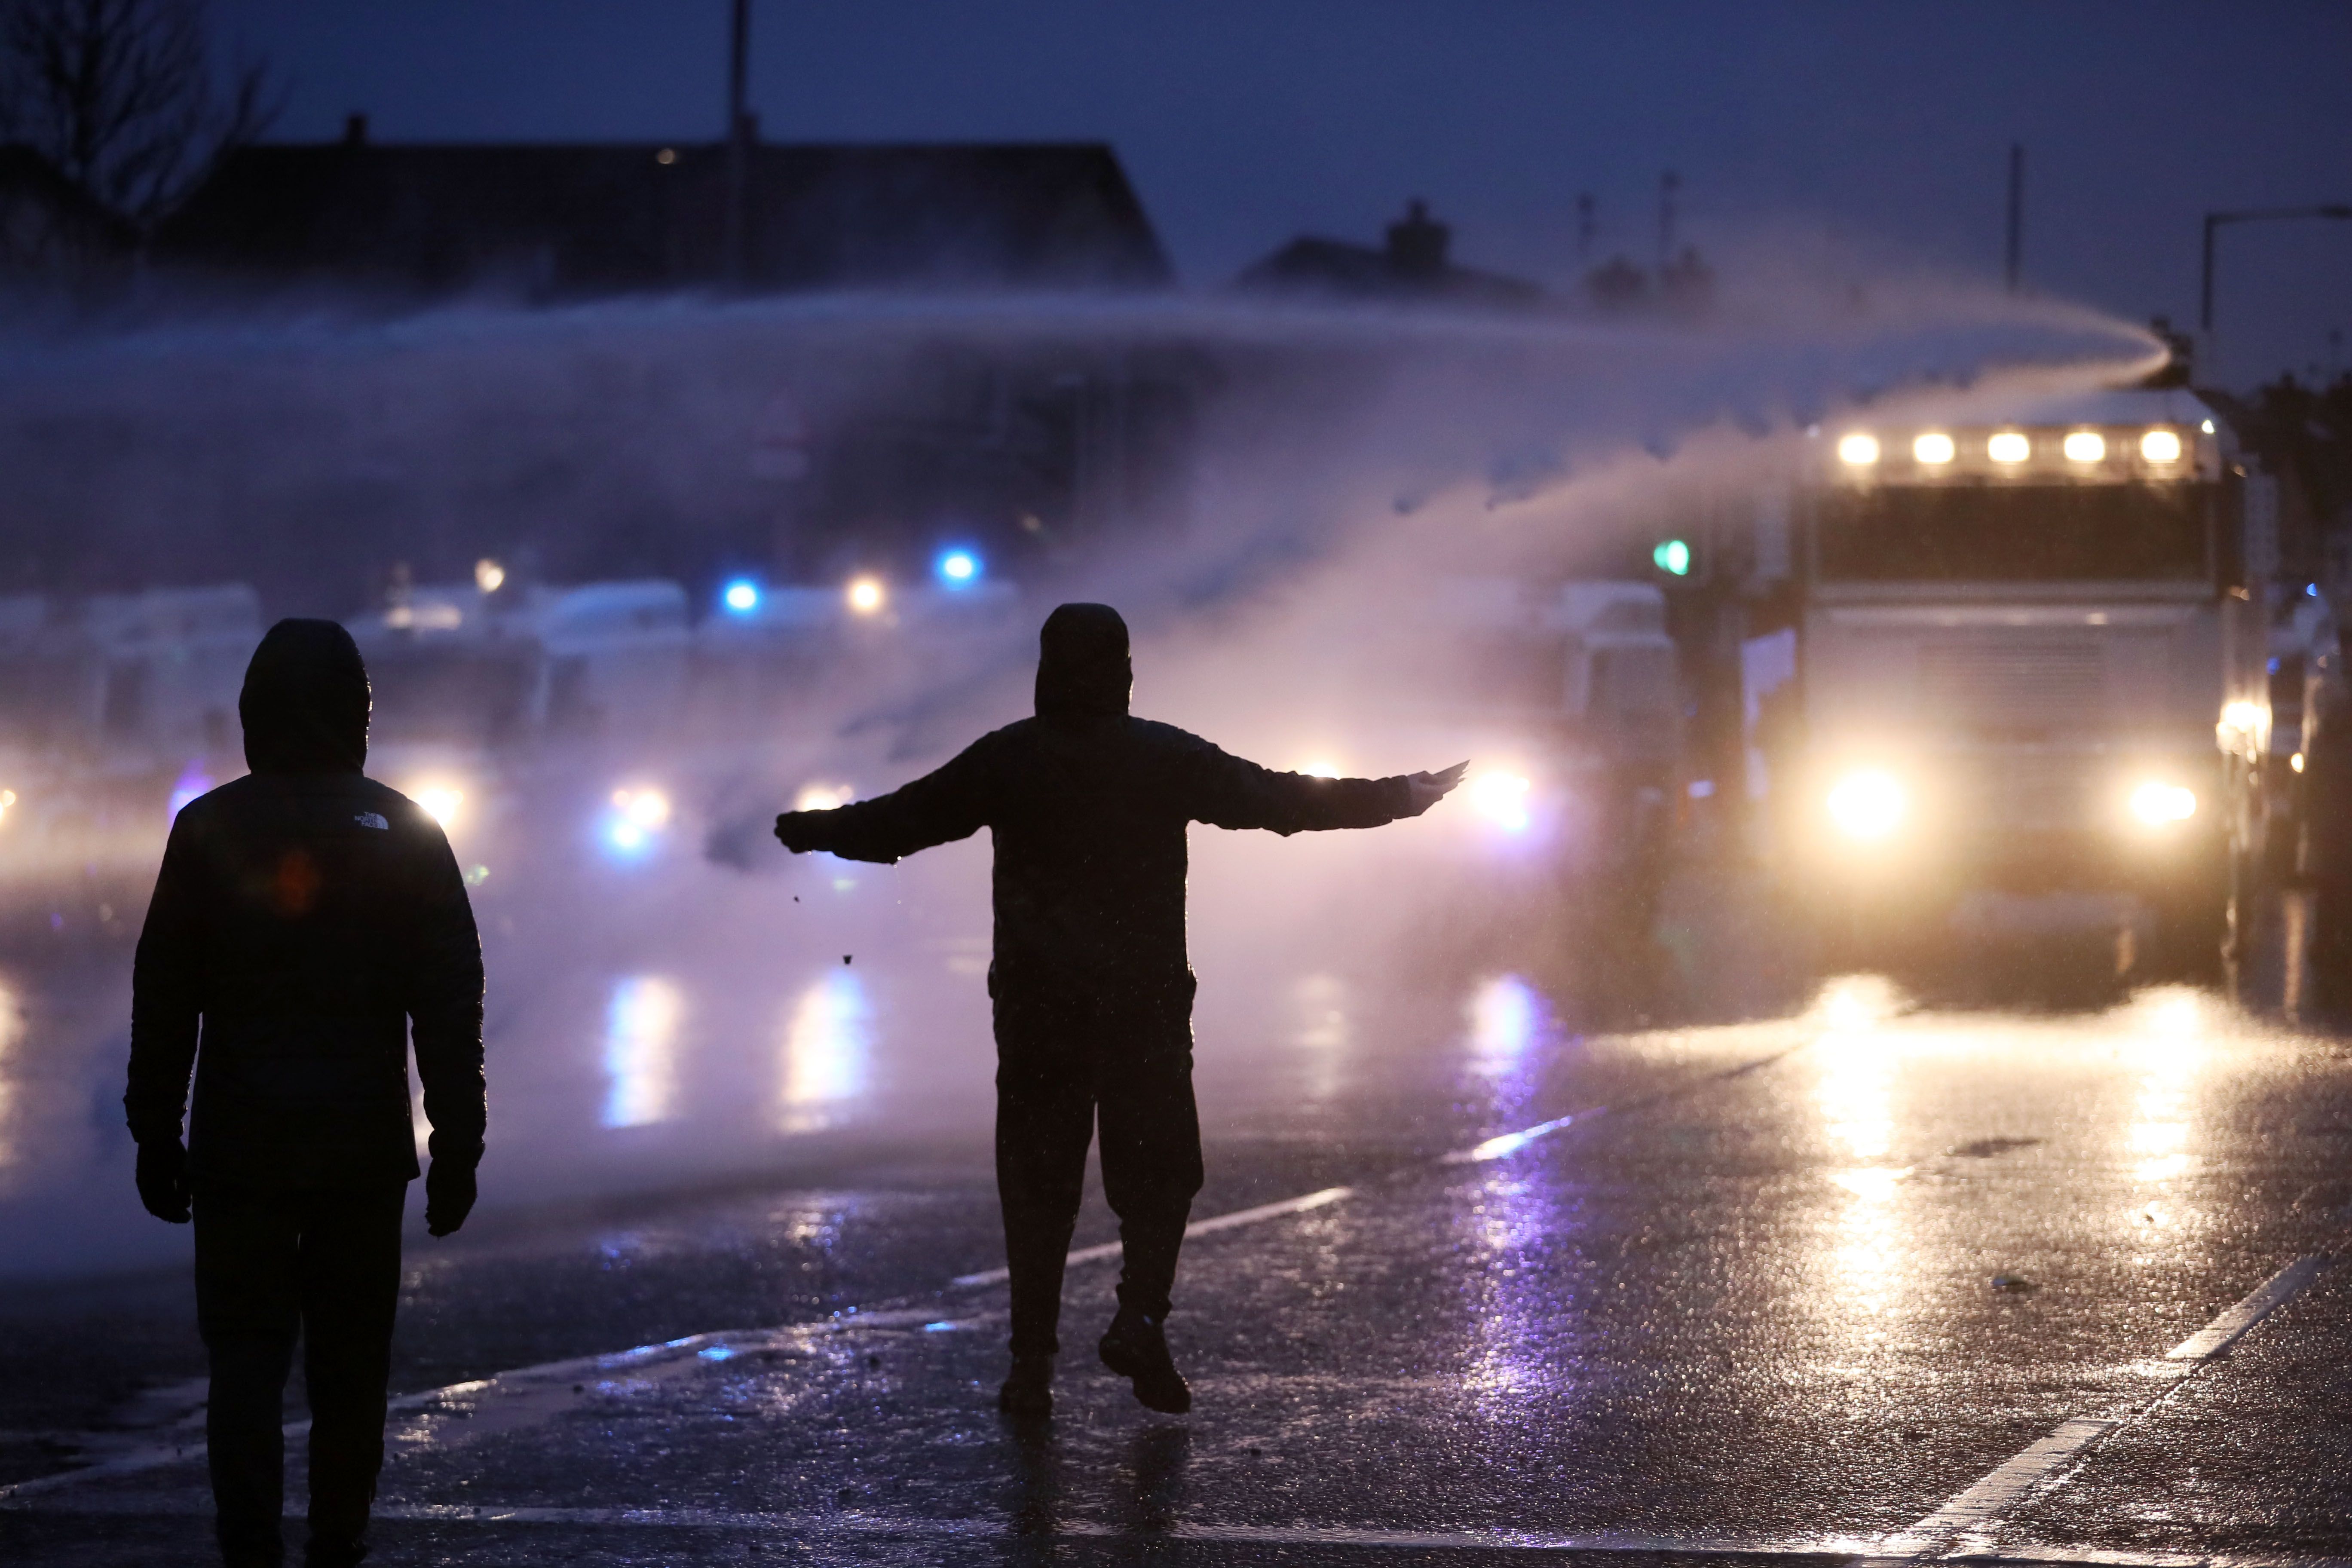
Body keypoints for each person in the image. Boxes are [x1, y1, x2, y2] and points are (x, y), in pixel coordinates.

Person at [773, 603, 1462, 1417]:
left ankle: (1030, 1369)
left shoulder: (1009, 758)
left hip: (1037, 1009)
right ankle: (1140, 1320)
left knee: (1038, 1186)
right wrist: (1401, 795)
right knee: (1161, 1175)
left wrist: (812, 830)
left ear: (1045, 668)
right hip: (1144, 1005)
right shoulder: (1162, 757)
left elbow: (904, 820)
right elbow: (1281, 800)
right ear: (1124, 670)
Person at [127, 619, 486, 1568]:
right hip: (360, 1150)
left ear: (253, 713)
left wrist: (155, 1132)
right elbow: (449, 1005)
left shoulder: (207, 830)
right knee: (350, 1360)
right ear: (358, 715)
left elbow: (165, 994)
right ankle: (338, 1536)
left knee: (244, 1357)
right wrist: (458, 1145)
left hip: (240, 1147)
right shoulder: (406, 830)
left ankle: (249, 1542)